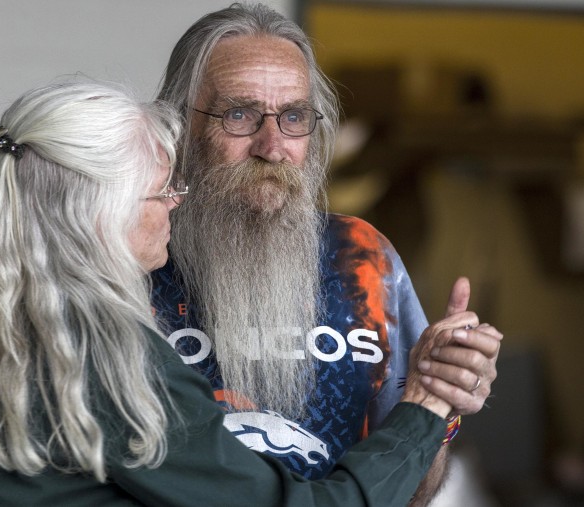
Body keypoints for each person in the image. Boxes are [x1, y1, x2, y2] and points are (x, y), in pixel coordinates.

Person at [0, 79, 475, 506]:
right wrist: (424, 408)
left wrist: (203, 418)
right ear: (96, 211)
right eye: (162, 192)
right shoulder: (107, 348)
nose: (174, 207)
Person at [151, 3, 502, 504]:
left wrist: (436, 405)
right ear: (180, 126)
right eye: (238, 114)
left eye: (294, 116)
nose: (272, 146)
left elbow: (409, 493)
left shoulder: (362, 257)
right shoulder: (130, 261)